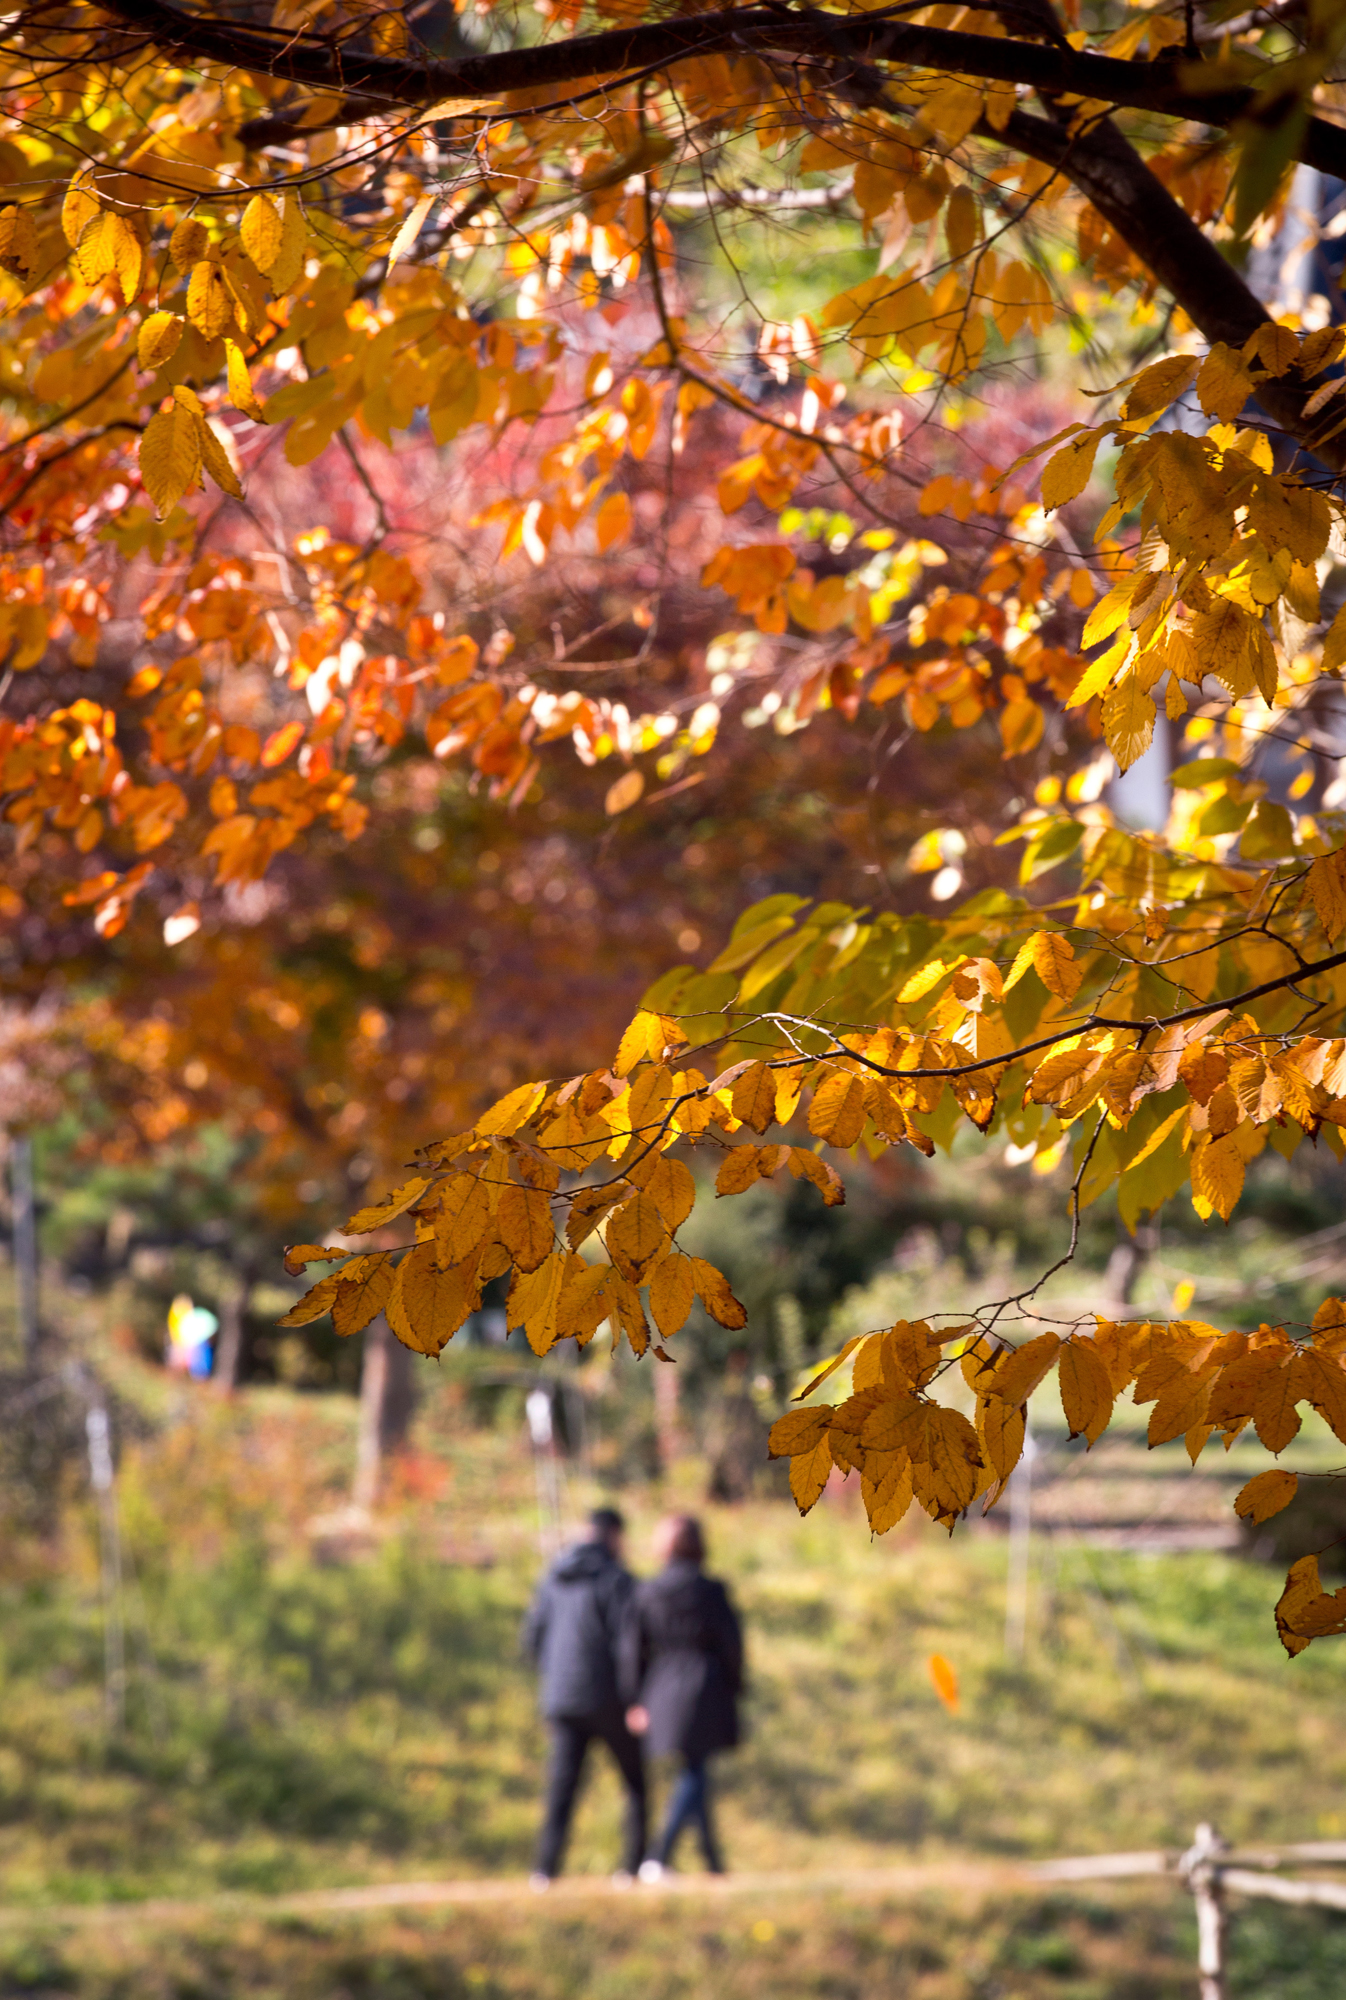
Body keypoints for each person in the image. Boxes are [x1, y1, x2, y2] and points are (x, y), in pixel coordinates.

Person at [521, 1506, 647, 1887]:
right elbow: (630, 1646)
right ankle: (632, 1867)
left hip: (561, 1698)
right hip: (608, 1698)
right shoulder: (618, 1580)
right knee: (636, 1784)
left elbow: (531, 1638)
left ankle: (545, 1870)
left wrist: (553, 1679)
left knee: (562, 1786)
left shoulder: (553, 1578)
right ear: (614, 1535)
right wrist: (634, 1697)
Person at [620, 1513, 744, 1879]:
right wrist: (735, 1684)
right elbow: (731, 1644)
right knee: (695, 1770)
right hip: (706, 1684)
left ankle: (712, 1865)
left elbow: (631, 1651)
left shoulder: (647, 1591)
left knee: (694, 1769)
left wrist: (635, 1699)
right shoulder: (712, 1591)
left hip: (662, 1687)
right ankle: (659, 1855)